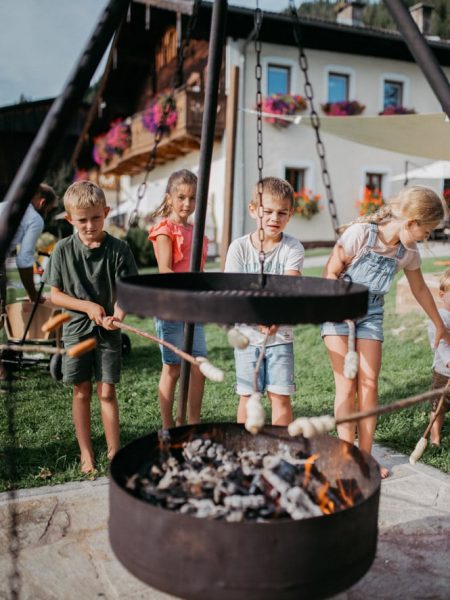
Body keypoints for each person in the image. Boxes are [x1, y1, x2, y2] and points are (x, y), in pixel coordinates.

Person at [321, 185, 450, 478]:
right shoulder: (361, 235)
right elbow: (330, 272)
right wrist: (338, 304)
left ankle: (364, 458)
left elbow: (419, 288)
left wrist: (440, 325)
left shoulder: (407, 251)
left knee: (369, 385)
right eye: (426, 231)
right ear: (411, 222)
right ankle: (346, 455)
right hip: (338, 310)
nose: (426, 237)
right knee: (346, 384)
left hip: (371, 315)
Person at [44, 181, 138, 473]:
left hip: (108, 332)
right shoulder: (62, 250)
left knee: (107, 392)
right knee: (81, 390)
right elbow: (54, 295)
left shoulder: (119, 249)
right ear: (70, 219)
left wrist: (117, 314)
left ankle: (114, 453)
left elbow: (129, 292)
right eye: (81, 220)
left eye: (95, 218)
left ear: (106, 212)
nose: (89, 225)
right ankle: (86, 454)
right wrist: (87, 306)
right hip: (75, 330)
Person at [225, 177, 304, 426]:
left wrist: (276, 317)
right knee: (248, 397)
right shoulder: (239, 248)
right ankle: (244, 449)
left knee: (280, 396)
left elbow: (289, 287)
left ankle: (280, 450)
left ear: (290, 215)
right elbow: (235, 292)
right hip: (247, 337)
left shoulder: (292, 248)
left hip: (280, 337)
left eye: (282, 213)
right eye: (267, 211)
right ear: (253, 210)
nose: (274, 218)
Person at [148, 169, 208, 429]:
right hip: (171, 306)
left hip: (194, 306)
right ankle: (168, 424)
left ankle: (192, 420)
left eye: (193, 198)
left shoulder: (198, 232)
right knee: (173, 368)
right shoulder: (165, 229)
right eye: (181, 197)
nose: (187, 204)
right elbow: (165, 271)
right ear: (169, 198)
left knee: (198, 366)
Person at [0, 183, 57, 309]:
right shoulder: (35, 219)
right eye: (48, 210)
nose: (47, 214)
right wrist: (33, 294)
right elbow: (24, 259)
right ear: (42, 203)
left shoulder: (5, 205)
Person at [427, 268, 450, 447]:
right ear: (442, 295)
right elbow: (440, 344)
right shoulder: (440, 317)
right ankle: (435, 437)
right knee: (438, 407)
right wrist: (449, 361)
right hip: (444, 373)